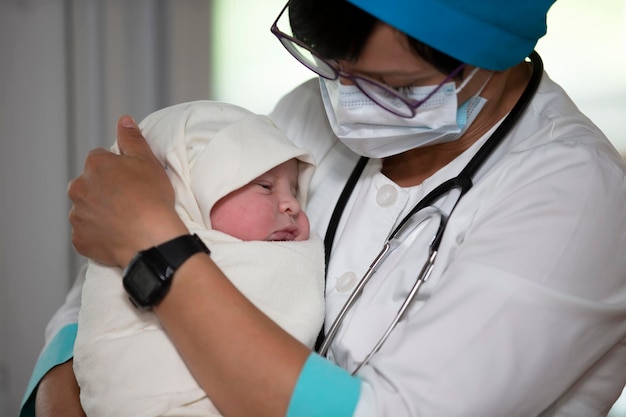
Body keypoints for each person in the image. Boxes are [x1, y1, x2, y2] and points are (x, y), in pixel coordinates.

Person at [21, 0, 626, 416]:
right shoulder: (303, 113)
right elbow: (99, 297)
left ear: (488, 60)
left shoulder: (575, 200)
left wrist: (158, 247)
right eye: (332, 68)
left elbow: (140, 240)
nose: (345, 101)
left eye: (392, 85)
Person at [72, 100, 325, 417]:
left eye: (295, 188)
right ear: (188, 193)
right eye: (265, 186)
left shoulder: (283, 256)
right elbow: (89, 328)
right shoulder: (120, 251)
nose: (292, 204)